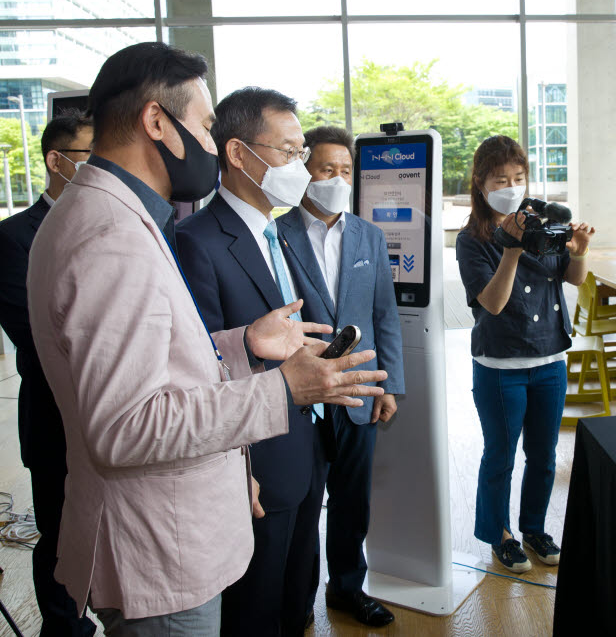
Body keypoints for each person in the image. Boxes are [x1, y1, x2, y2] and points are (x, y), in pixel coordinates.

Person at [25, 42, 387, 635]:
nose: (212, 143)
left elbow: (152, 361)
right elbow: (128, 424)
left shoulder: (120, 216)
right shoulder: (110, 236)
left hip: (173, 524)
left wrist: (242, 344)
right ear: (156, 121)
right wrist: (286, 388)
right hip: (161, 547)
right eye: (204, 123)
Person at [175, 86, 340, 635]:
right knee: (258, 606)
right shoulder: (197, 241)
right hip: (256, 462)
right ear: (239, 154)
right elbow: (202, 368)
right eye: (290, 154)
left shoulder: (282, 233)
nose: (302, 168)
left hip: (308, 440)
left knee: (298, 595)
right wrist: (239, 468)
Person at [276, 124, 404, 627]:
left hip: (357, 391)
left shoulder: (369, 234)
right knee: (304, 500)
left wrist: (388, 384)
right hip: (300, 391)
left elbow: (385, 317)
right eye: (327, 169)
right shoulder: (276, 234)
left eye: (345, 170)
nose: (337, 178)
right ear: (304, 171)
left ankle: (347, 588)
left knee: (353, 500)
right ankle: (298, 596)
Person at [456, 135, 594, 573]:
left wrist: (581, 252)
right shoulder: (472, 240)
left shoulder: (540, 223)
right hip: (500, 365)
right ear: (480, 184)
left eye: (519, 177)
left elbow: (571, 278)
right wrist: (511, 250)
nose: (511, 186)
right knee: (501, 455)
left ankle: (534, 528)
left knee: (545, 454)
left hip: (550, 359)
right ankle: (499, 534)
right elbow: (492, 304)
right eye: (501, 179)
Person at [0, 110, 95, 637]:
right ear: (57, 162)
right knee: (61, 542)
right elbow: (36, 338)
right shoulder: (15, 239)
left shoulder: (113, 224)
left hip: (117, 422)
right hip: (56, 422)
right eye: (88, 157)